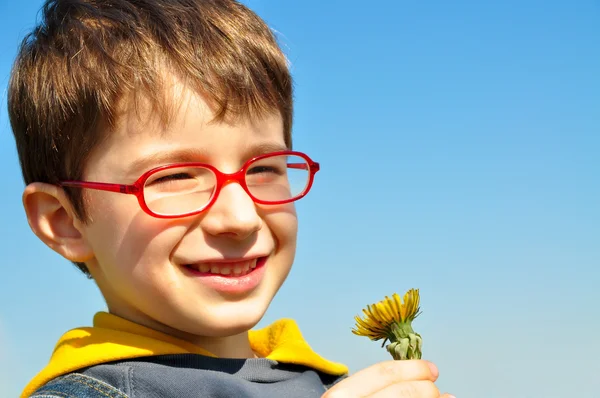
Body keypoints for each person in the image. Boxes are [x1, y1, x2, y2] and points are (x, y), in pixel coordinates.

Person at [9, 0, 453, 397]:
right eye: (176, 176)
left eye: (263, 169)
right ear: (64, 220)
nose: (241, 218)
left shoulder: (322, 382)